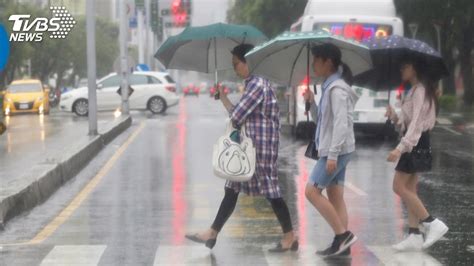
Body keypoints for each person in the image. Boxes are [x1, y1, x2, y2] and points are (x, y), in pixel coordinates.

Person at [185, 44, 298, 252]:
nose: (235, 68)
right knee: (232, 187)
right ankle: (213, 233)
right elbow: (239, 114)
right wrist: (224, 98)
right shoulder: (254, 83)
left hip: (260, 146)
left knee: (271, 191)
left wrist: (226, 101)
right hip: (252, 146)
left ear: (248, 62)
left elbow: (237, 117)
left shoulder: (257, 85)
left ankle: (289, 236)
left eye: (236, 64)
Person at [386, 58, 448, 252]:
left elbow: (417, 124)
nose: (401, 69)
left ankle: (431, 222)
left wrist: (400, 148)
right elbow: (407, 122)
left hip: (415, 143)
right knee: (410, 189)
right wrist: (394, 116)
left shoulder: (420, 91)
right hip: (416, 141)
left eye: (404, 66)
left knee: (398, 186)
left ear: (414, 68)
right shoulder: (414, 91)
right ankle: (414, 234)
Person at [303, 43, 359, 257]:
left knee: (311, 191)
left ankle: (342, 236)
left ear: (328, 62)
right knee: (335, 197)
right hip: (336, 149)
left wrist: (333, 155)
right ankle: (342, 247)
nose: (313, 64)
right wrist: (312, 104)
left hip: (336, 151)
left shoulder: (337, 89)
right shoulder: (329, 87)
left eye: (316, 60)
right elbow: (323, 122)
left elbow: (341, 125)